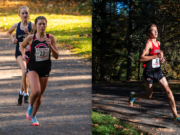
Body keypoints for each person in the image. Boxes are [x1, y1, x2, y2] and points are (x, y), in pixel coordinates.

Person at [129, 23, 180, 123]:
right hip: (149, 72)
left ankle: (176, 117)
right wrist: (155, 57)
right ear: (148, 33)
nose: (156, 32)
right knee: (149, 95)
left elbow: (157, 55)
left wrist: (161, 58)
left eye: (156, 30)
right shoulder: (148, 43)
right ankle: (133, 95)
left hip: (158, 71)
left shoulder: (158, 43)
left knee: (169, 92)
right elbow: (141, 58)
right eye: (153, 30)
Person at [20, 16, 59, 126]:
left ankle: (34, 116)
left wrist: (50, 46)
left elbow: (56, 56)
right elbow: (22, 47)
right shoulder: (31, 38)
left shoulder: (50, 38)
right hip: (32, 67)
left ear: (46, 25)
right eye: (40, 24)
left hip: (45, 68)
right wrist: (23, 55)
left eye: (44, 24)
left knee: (40, 95)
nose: (42, 26)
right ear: (36, 25)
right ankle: (30, 107)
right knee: (36, 91)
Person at [7, 6, 35, 105]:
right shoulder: (16, 25)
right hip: (19, 52)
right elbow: (9, 32)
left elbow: (35, 39)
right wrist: (13, 39)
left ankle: (21, 93)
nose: (24, 15)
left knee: (26, 73)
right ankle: (26, 94)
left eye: (26, 13)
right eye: (22, 13)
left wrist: (29, 33)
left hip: (30, 53)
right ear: (19, 15)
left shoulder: (33, 25)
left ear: (29, 14)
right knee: (24, 71)